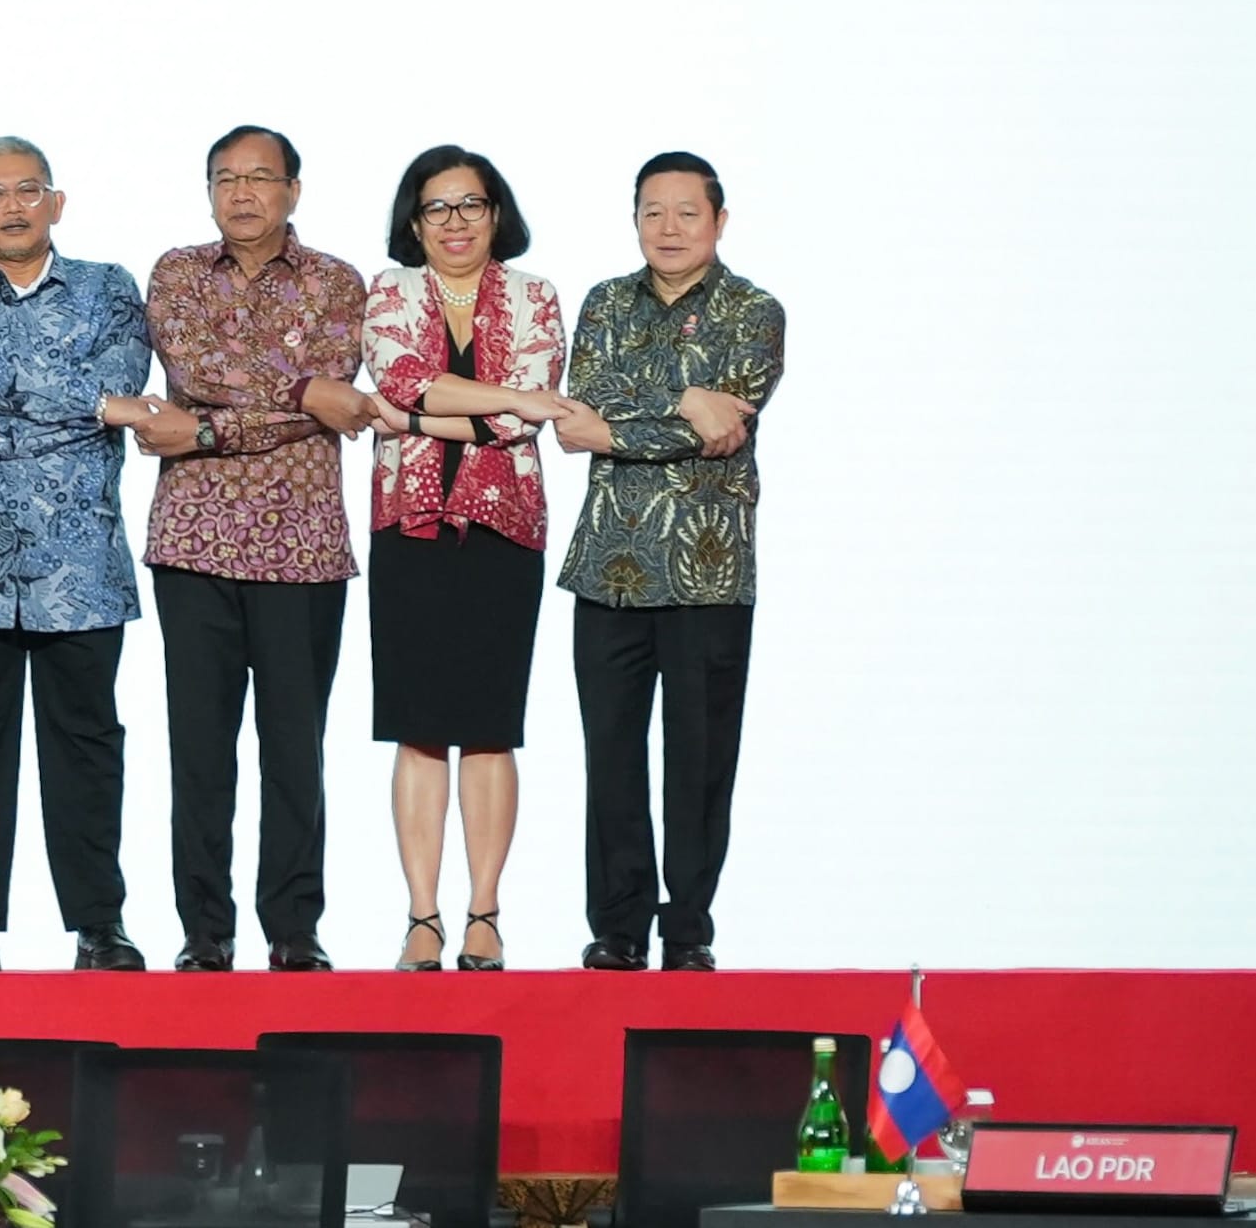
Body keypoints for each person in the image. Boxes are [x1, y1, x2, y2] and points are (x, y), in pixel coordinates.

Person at [138, 125, 405, 973]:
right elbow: (197, 366)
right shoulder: (177, 272)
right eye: (226, 178)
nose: (243, 192)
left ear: (294, 189)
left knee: (295, 751)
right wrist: (302, 389)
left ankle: (294, 928)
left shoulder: (338, 281)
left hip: (303, 548)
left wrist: (203, 431)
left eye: (260, 177)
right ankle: (204, 932)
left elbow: (332, 398)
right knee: (200, 750)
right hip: (195, 543)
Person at [0, 136, 161, 973]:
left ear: (57, 201)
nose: (11, 206)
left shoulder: (108, 288)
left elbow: (120, 388)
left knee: (88, 746)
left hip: (78, 565)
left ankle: (100, 925)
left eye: (27, 189)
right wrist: (94, 405)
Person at [552, 151, 787, 972]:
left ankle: (688, 927)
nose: (670, 227)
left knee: (700, 759)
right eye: (653, 211)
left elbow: (723, 427)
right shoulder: (605, 302)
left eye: (688, 211)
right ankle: (618, 926)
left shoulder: (755, 310)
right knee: (612, 758)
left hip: (707, 571)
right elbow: (581, 403)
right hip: (608, 566)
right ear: (634, 219)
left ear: (720, 220)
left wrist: (623, 422)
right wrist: (688, 394)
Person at [359, 145, 576, 973]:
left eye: (471, 204)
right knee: (417, 726)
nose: (455, 221)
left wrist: (417, 419)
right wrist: (505, 398)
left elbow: (521, 421)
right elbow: (402, 379)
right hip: (407, 526)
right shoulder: (390, 291)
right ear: (414, 222)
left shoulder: (534, 295)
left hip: (503, 526)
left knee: (489, 726)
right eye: (437, 207)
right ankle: (422, 917)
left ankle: (484, 913)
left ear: (496, 213)